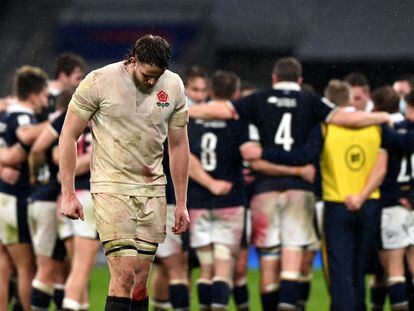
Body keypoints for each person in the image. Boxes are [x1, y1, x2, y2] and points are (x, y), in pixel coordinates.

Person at [190, 57, 390, 310]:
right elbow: (347, 119)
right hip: (299, 190)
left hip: (265, 190)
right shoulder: (310, 101)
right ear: (300, 80)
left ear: (274, 78)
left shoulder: (259, 98)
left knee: (269, 266)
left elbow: (220, 110)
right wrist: (382, 116)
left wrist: (184, 109)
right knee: (293, 266)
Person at [58, 34, 190, 311]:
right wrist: (68, 193)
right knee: (124, 273)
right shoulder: (99, 81)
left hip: (153, 189)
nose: (152, 82)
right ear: (133, 60)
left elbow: (178, 146)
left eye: (158, 75)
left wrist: (182, 203)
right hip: (111, 186)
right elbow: (68, 135)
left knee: (141, 278)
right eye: (147, 74)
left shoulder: (174, 84)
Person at [151, 65, 209, 311]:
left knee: (185, 264)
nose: (199, 95)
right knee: (170, 265)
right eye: (194, 89)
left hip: (193, 201)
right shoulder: (172, 118)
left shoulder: (201, 119)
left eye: (203, 90)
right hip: (170, 198)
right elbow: (181, 156)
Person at [0, 66, 49, 311]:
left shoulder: (4, 115)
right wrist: (57, 119)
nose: (45, 101)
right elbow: (24, 140)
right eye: (43, 95)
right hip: (14, 198)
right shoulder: (22, 118)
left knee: (4, 264)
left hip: (3, 197)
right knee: (26, 266)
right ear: (33, 95)